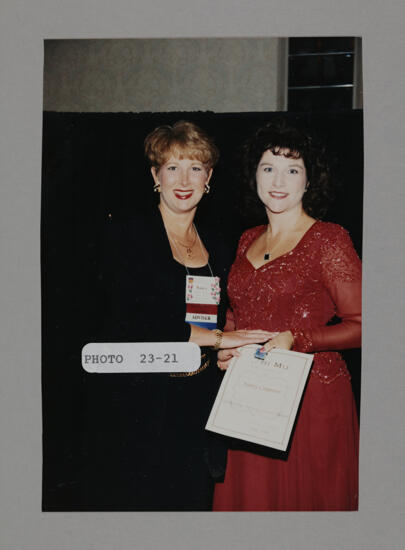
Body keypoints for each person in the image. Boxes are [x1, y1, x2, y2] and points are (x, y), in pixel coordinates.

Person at [82, 120, 272, 511]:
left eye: (196, 168)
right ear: (155, 175)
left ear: (209, 177)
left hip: (199, 404)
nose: (184, 179)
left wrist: (231, 345)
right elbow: (141, 321)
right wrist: (221, 338)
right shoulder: (126, 236)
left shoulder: (220, 246)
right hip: (140, 404)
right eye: (172, 167)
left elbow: (226, 314)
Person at [213, 119, 361, 511]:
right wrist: (226, 347)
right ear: (254, 177)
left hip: (311, 400)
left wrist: (299, 339)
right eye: (268, 168)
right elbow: (236, 311)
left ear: (309, 181)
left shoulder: (329, 239)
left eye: (292, 169)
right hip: (250, 397)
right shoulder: (247, 238)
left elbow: (365, 325)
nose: (279, 180)